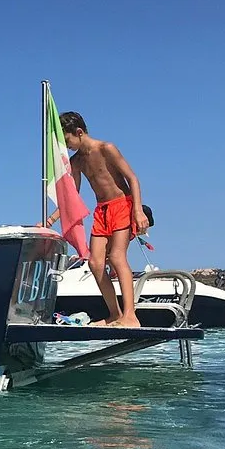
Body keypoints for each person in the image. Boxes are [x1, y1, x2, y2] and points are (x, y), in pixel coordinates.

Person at [46, 111, 149, 327]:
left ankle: (131, 316)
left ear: (79, 132)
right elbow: (72, 197)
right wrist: (50, 221)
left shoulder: (106, 148)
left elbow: (132, 178)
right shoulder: (76, 162)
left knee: (117, 257)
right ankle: (115, 314)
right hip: (102, 211)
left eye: (67, 140)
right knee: (94, 263)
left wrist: (138, 211)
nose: (67, 146)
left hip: (122, 205)